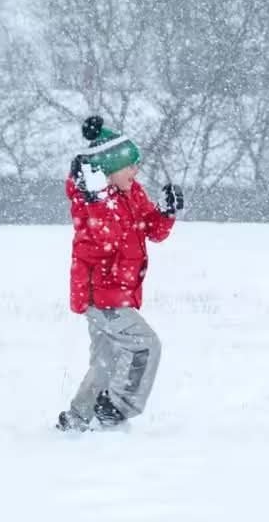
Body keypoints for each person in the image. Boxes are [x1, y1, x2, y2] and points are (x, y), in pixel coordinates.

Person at [56, 116, 184, 432]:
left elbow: (151, 230)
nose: (135, 171)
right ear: (109, 169)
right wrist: (97, 199)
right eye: (129, 166)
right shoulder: (89, 200)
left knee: (106, 361)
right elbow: (107, 238)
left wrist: (165, 212)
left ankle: (77, 419)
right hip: (101, 295)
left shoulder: (131, 192)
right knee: (145, 345)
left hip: (118, 293)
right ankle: (117, 407)